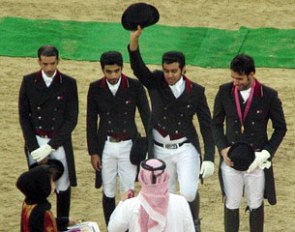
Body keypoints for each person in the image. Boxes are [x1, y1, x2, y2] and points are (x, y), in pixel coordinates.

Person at [128, 26, 215, 231]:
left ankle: (193, 224)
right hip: (159, 149)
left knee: (189, 192)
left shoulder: (197, 92)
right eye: (166, 71)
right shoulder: (156, 81)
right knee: (165, 194)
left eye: (174, 71)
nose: (169, 75)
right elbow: (138, 68)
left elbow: (206, 125)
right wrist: (134, 42)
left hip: (185, 148)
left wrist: (210, 157)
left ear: (183, 69)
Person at [211, 54, 287, 232]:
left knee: (256, 203)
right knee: (231, 203)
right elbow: (215, 124)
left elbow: (280, 128)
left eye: (239, 78)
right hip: (231, 159)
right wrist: (222, 149)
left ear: (252, 74)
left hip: (256, 161)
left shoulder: (268, 95)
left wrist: (265, 154)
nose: (235, 82)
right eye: (233, 77)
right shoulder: (224, 91)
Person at [86, 51, 150, 227]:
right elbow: (91, 122)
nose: (113, 75)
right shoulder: (95, 88)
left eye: (116, 71)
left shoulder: (135, 86)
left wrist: (151, 147)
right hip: (106, 146)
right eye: (109, 71)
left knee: (127, 190)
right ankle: (111, 227)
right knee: (108, 190)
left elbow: (147, 118)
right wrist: (93, 152)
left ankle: (127, 228)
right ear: (103, 70)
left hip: (128, 146)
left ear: (122, 68)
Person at [18, 45, 79, 231]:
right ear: (39, 62)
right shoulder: (28, 81)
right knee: (37, 187)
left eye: (52, 63)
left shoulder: (69, 83)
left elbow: (71, 118)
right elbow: (24, 116)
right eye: (45, 64)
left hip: (58, 143)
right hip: (36, 141)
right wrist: (34, 146)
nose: (50, 68)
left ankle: (60, 224)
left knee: (63, 186)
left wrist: (51, 146)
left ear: (57, 61)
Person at [108, 158, 195, 232]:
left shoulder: (130, 205)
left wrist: (122, 202)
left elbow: (113, 229)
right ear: (165, 176)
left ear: (141, 177)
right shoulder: (180, 202)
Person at [16, 161, 69, 232]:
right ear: (43, 186)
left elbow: (39, 222)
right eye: (52, 181)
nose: (54, 184)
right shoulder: (44, 212)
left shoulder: (29, 202)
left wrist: (65, 221)